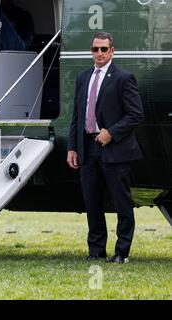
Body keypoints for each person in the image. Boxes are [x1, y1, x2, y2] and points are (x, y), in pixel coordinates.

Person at [67, 32, 144, 264]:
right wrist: (72, 147)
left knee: (122, 202)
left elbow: (136, 114)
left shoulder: (124, 77)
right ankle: (96, 251)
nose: (99, 53)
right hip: (87, 148)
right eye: (95, 49)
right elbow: (77, 116)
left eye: (103, 49)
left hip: (115, 149)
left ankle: (122, 252)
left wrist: (111, 132)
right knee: (92, 202)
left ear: (112, 51)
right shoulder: (82, 77)